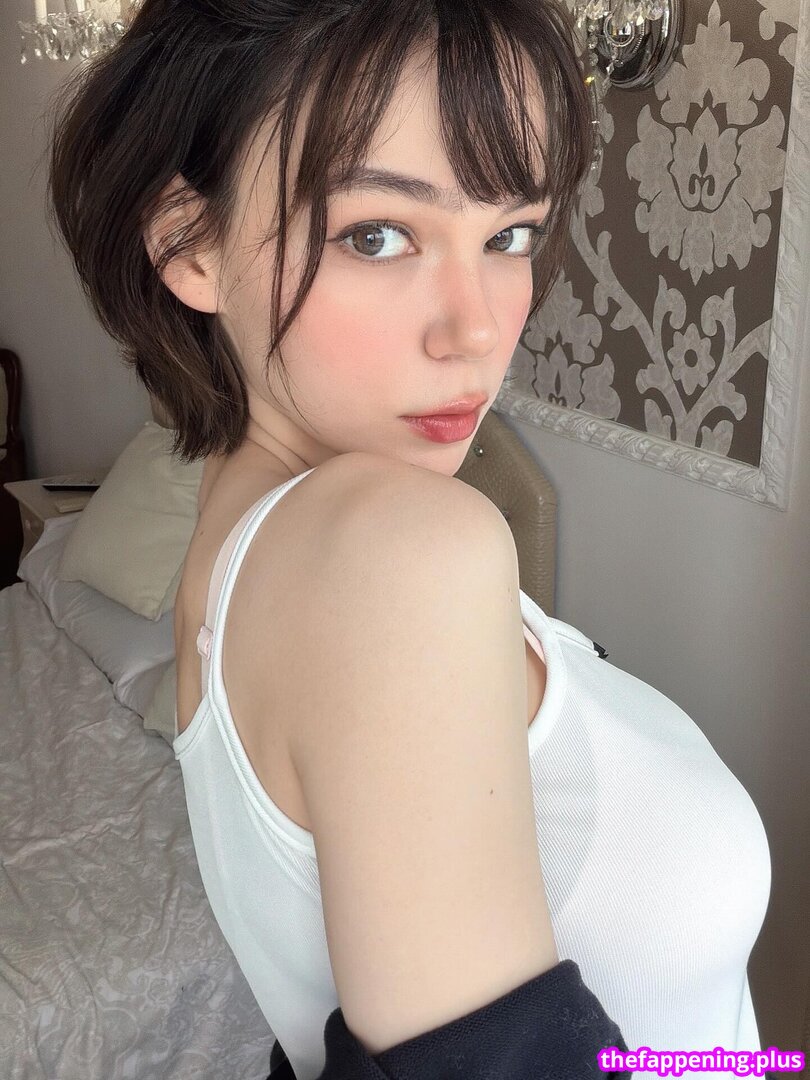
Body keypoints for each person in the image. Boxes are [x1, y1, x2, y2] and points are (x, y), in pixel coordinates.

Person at [46, 1, 771, 1077]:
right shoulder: (399, 551)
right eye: (376, 236)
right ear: (189, 245)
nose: (477, 329)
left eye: (510, 235)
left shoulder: (248, 546)